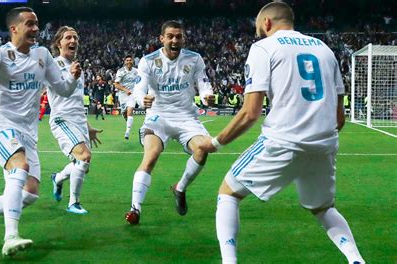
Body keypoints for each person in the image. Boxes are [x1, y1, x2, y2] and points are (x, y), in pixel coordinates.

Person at [198, 3, 366, 263]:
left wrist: (216, 142)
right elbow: (339, 117)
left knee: (228, 193)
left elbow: (250, 113)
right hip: (324, 143)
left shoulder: (264, 48)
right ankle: (356, 260)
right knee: (323, 208)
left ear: (266, 22)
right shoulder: (325, 50)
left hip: (281, 141)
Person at [0, 7, 81, 256]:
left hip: (28, 133)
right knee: (19, 168)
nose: (36, 29)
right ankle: (10, 236)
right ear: (14, 28)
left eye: (37, 24)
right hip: (1, 126)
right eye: (30, 24)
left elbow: (62, 89)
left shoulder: (43, 55)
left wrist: (73, 78)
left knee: (30, 194)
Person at [124, 20, 215, 225]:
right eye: (171, 36)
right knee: (151, 155)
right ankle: (135, 208)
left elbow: (203, 82)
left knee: (203, 149)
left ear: (183, 38)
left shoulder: (194, 59)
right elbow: (139, 88)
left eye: (179, 36)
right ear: (162, 38)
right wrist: (142, 100)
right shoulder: (148, 61)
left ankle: (179, 188)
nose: (175, 40)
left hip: (186, 117)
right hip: (158, 116)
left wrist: (207, 95)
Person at [47, 26, 102, 215]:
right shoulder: (53, 65)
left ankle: (58, 178)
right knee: (84, 157)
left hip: (78, 121)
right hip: (62, 120)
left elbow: (76, 101)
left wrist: (88, 127)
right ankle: (73, 203)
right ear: (58, 43)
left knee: (82, 167)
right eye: (68, 37)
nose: (73, 41)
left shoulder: (79, 69)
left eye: (76, 38)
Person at [114, 55, 138, 139]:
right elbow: (116, 84)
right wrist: (125, 90)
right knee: (124, 113)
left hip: (132, 94)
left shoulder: (137, 71)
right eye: (127, 60)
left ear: (133, 61)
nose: (129, 62)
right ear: (124, 62)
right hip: (123, 95)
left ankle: (127, 132)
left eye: (130, 60)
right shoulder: (121, 71)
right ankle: (128, 124)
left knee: (130, 110)